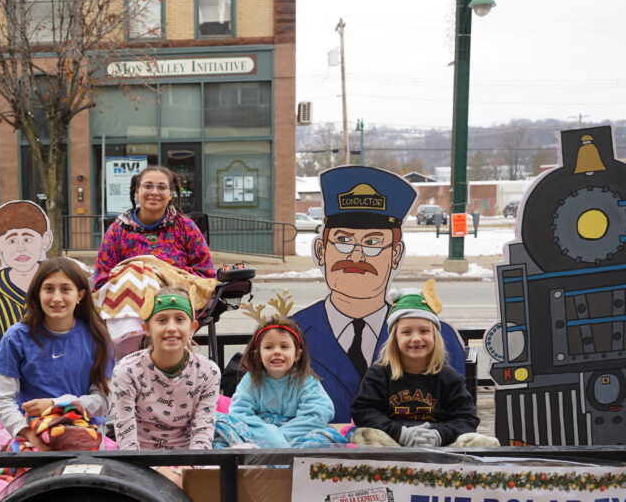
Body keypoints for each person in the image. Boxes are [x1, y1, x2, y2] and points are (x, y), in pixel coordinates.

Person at [291, 166, 465, 423]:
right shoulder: (293, 334)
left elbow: (457, 414)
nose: (357, 256)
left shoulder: (438, 338)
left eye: (372, 243)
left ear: (395, 254)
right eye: (343, 241)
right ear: (320, 250)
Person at [349, 287, 496, 447]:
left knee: (484, 442)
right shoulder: (379, 374)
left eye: (424, 331)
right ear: (394, 340)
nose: (416, 338)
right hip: (393, 444)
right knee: (363, 434)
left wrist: (438, 435)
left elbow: (467, 419)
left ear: (435, 337)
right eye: (406, 332)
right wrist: (400, 433)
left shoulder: (448, 377)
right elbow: (363, 411)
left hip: (439, 447)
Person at [0, 258, 113, 450]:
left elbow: (104, 401)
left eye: (65, 289)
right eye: (49, 289)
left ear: (80, 295)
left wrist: (55, 405)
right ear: (38, 294)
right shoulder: (15, 338)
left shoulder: (98, 337)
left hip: (86, 433)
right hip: (33, 434)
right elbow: (2, 399)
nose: (57, 298)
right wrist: (32, 437)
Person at [111, 287, 220, 450]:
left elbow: (202, 435)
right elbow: (127, 441)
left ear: (192, 327)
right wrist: (158, 471)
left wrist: (188, 471)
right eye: (162, 320)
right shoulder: (126, 371)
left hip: (190, 458)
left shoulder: (208, 372)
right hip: (140, 460)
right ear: (147, 328)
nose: (171, 328)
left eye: (179, 319)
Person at [0, 200, 53, 384]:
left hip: (58, 376)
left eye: (27, 238)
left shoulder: (58, 282)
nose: (21, 247)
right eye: (11, 240)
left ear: (45, 240)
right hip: (10, 382)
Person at [93, 166, 214, 289]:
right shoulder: (117, 231)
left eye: (162, 187)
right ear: (137, 192)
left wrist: (165, 275)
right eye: (148, 186)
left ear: (170, 195)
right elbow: (101, 279)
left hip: (178, 300)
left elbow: (206, 274)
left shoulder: (186, 227)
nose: (154, 192)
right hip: (130, 302)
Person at [228, 317, 342, 448]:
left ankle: (286, 463)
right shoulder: (251, 379)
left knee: (320, 441)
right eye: (269, 347)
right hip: (260, 436)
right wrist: (267, 434)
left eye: (284, 346)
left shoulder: (306, 380)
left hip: (297, 434)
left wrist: (278, 437)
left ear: (297, 355)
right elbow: (239, 413)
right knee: (222, 430)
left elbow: (319, 413)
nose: (277, 351)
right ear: (257, 354)